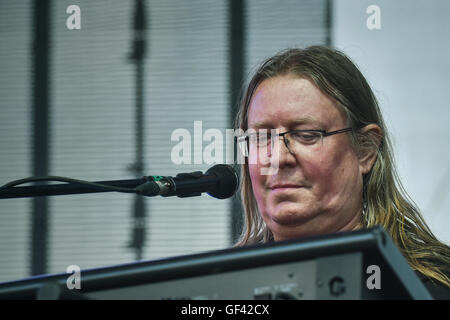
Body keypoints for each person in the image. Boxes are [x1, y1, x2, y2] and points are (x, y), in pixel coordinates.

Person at [234, 46, 450, 299]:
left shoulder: (428, 288)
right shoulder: (222, 289)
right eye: (261, 137)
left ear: (365, 150)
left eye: (306, 135)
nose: (279, 157)